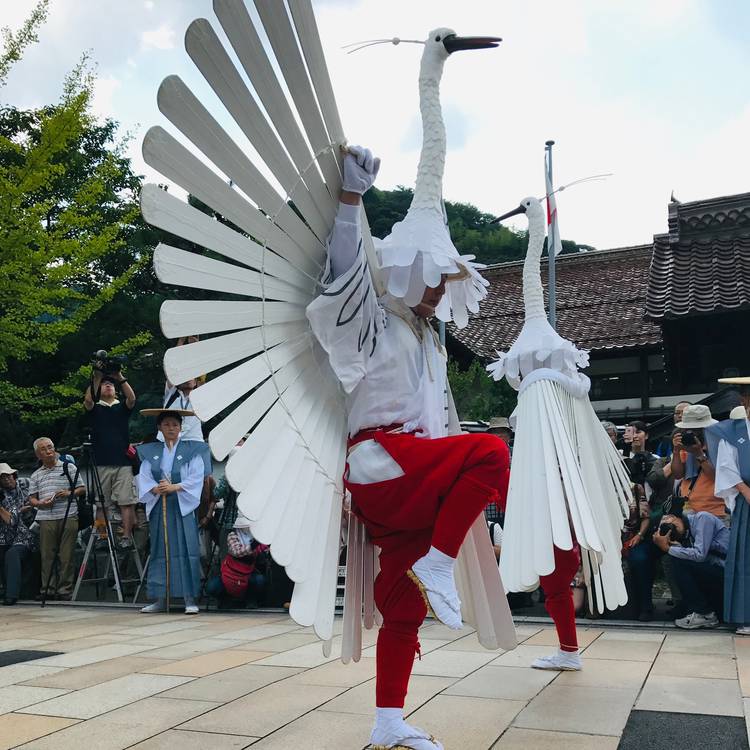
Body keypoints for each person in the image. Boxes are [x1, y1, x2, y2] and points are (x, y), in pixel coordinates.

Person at [306, 146, 510, 750]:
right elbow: (344, 274)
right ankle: (438, 562)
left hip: (408, 478)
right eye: (435, 277)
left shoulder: (429, 342)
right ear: (408, 271)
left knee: (403, 607)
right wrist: (351, 199)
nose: (440, 291)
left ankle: (388, 721)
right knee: (491, 454)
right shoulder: (372, 322)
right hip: (383, 463)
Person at [136, 409, 205, 614]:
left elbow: (197, 476)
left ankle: (189, 598)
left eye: (175, 425)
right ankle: (160, 598)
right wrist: (155, 488)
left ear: (181, 427)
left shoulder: (192, 450)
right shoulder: (151, 451)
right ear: (159, 427)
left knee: (186, 550)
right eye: (166, 424)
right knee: (160, 550)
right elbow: (144, 476)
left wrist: (176, 487)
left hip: (182, 504)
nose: (171, 428)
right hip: (160, 504)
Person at [707, 378, 750, 635]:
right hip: (747, 500)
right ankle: (746, 616)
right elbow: (726, 467)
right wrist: (745, 491)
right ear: (744, 401)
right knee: (747, 558)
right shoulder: (732, 432)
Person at [84, 362, 137, 546]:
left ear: (116, 390)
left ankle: (126, 537)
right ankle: (102, 536)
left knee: (126, 502)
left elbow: (132, 399)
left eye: (111, 385)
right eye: (104, 384)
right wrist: (97, 377)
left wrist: (119, 376)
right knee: (101, 504)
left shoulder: (121, 407)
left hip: (123, 462)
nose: (108, 386)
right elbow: (88, 401)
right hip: (101, 462)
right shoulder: (95, 408)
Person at [28, 437, 85, 600]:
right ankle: (48, 589)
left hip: (69, 514)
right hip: (46, 517)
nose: (49, 451)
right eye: (44, 449)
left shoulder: (68, 467)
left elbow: (82, 488)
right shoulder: (36, 475)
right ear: (38, 454)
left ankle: (64, 589)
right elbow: (32, 499)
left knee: (66, 555)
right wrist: (40, 503)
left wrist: (68, 493)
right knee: (47, 555)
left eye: (50, 447)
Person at [652, 510, 728, 629]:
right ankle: (700, 611)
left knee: (678, 560)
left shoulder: (702, 519)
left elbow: (700, 555)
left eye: (668, 524)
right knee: (675, 558)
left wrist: (668, 549)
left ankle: (704, 613)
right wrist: (672, 545)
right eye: (665, 530)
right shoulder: (686, 535)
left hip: (729, 572)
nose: (670, 529)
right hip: (717, 575)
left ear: (672, 516)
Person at [672, 405, 726, 522]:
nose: (693, 433)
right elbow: (677, 474)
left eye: (697, 430)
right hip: (689, 512)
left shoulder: (721, 444)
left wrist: (699, 454)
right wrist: (676, 451)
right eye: (688, 430)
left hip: (716, 512)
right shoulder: (686, 444)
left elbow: (717, 477)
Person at [0, 463, 35, 605]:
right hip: (4, 537)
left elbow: (11, 520)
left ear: (14, 475)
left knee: (12, 553)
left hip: (24, 535)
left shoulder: (26, 485)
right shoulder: (2, 494)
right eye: (2, 477)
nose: (6, 479)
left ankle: (11, 595)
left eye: (8, 476)